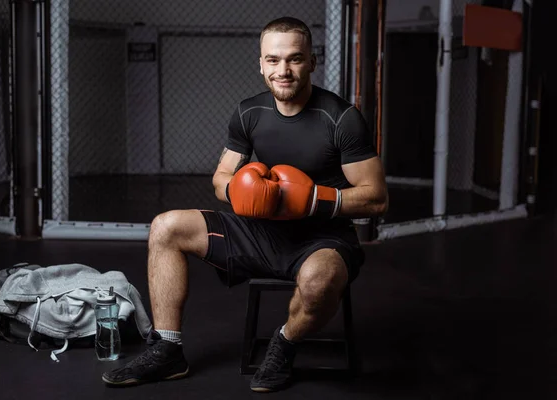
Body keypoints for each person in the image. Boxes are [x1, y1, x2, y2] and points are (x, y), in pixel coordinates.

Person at [102, 16, 388, 392]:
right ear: (260, 63)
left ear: (312, 61)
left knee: (319, 281)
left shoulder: (341, 118)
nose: (282, 70)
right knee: (165, 227)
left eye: (294, 59)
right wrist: (241, 189)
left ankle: (283, 344)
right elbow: (221, 179)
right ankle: (168, 349)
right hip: (260, 231)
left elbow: (376, 197)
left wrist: (315, 198)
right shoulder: (249, 113)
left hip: (322, 240)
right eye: (272, 60)